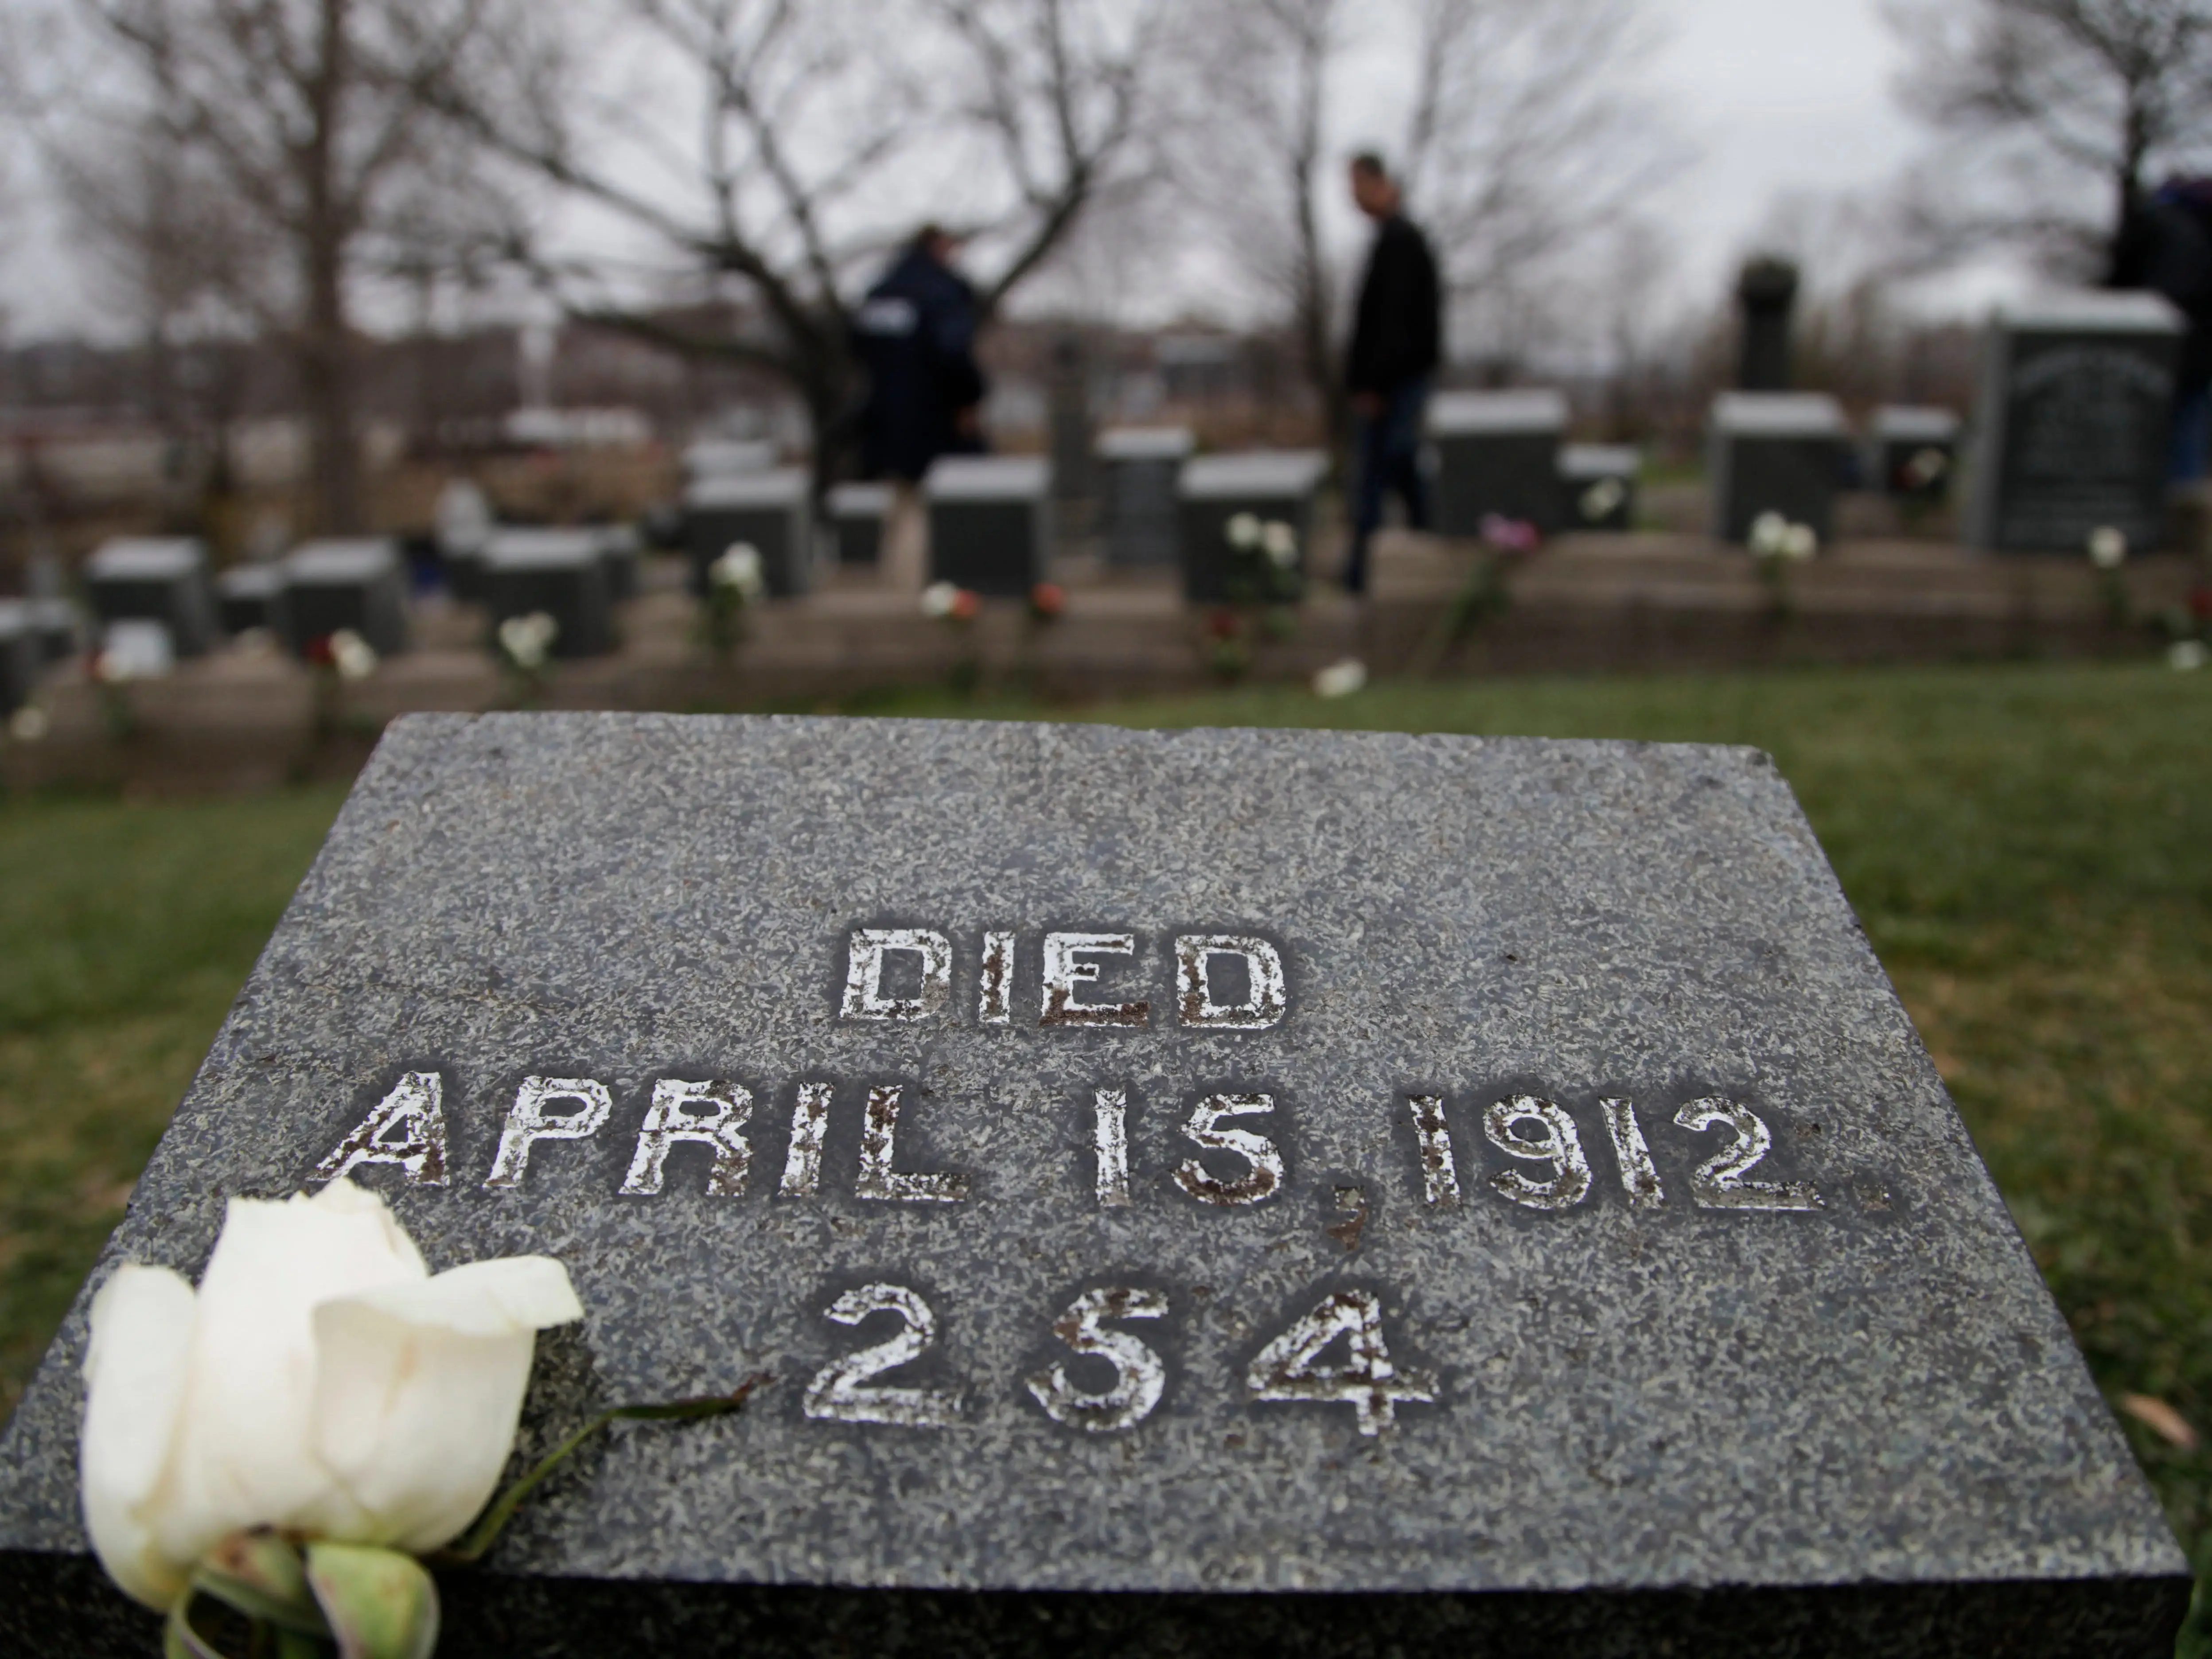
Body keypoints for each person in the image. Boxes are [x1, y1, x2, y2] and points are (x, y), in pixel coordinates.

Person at [853, 225, 989, 588]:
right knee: (931, 508)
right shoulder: (940, 293)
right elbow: (953, 353)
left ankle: (894, 587)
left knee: (899, 504)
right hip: (935, 418)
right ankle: (926, 596)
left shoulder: (880, 295)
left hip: (885, 418)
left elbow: (857, 350)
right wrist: (968, 401)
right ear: (938, 247)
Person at [1343, 153, 1443, 596]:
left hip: (1395, 385)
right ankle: (1372, 566)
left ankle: (1367, 572)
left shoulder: (1403, 241)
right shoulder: (1389, 239)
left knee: (1389, 469)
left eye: (1358, 185)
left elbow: (1396, 326)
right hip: (1392, 383)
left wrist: (1374, 384)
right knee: (1393, 471)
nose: (1353, 196)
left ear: (1380, 183)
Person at [2110, 177, 2212, 485]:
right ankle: (2182, 507)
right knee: (2186, 432)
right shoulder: (2202, 229)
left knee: (2138, 432)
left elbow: (2132, 286)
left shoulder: (2158, 223)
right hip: (2200, 351)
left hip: (2150, 345)